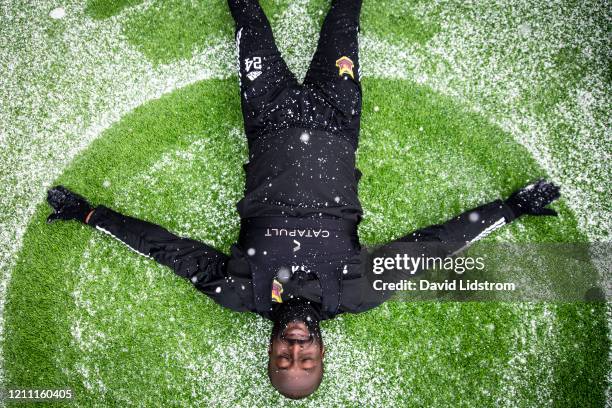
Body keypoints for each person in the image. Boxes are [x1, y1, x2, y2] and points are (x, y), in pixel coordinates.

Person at [45, 0, 561, 400]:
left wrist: (92, 214)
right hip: (337, 122)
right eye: (306, 358)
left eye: (285, 358)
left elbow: (165, 249)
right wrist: (511, 208)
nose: (295, 347)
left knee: (247, 15)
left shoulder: (239, 292)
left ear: (270, 353)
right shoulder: (355, 293)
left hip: (267, 120)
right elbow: (433, 247)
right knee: (344, 16)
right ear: (321, 353)